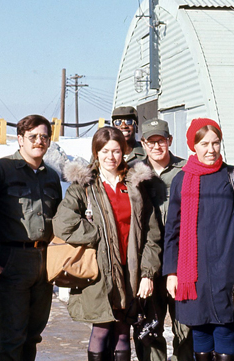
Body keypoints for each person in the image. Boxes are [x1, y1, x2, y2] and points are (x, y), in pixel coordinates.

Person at [163, 118, 234, 361]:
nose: (211, 149)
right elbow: (173, 230)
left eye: (215, 143)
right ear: (194, 145)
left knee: (225, 330)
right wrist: (171, 272)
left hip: (230, 269)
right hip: (193, 273)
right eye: (204, 144)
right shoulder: (182, 180)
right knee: (200, 331)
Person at [52, 126, 162, 361]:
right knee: (101, 329)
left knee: (123, 332)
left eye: (116, 151)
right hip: (101, 272)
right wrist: (97, 233)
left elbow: (152, 234)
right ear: (96, 152)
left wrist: (147, 273)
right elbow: (63, 224)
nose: (110, 157)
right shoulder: (85, 186)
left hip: (130, 271)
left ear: (124, 152)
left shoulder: (135, 185)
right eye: (104, 151)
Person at [0, 114, 62, 361]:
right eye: (33, 136)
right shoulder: (0, 169)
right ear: (20, 139)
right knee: (12, 335)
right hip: (11, 259)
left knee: (33, 333)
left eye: (44, 136)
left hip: (43, 260)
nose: (39, 141)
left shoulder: (51, 176)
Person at [136, 118, 193, 361]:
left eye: (161, 140)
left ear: (169, 141)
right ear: (143, 143)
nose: (157, 146)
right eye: (151, 141)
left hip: (182, 259)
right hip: (147, 259)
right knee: (149, 326)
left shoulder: (187, 170)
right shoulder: (135, 173)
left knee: (186, 324)